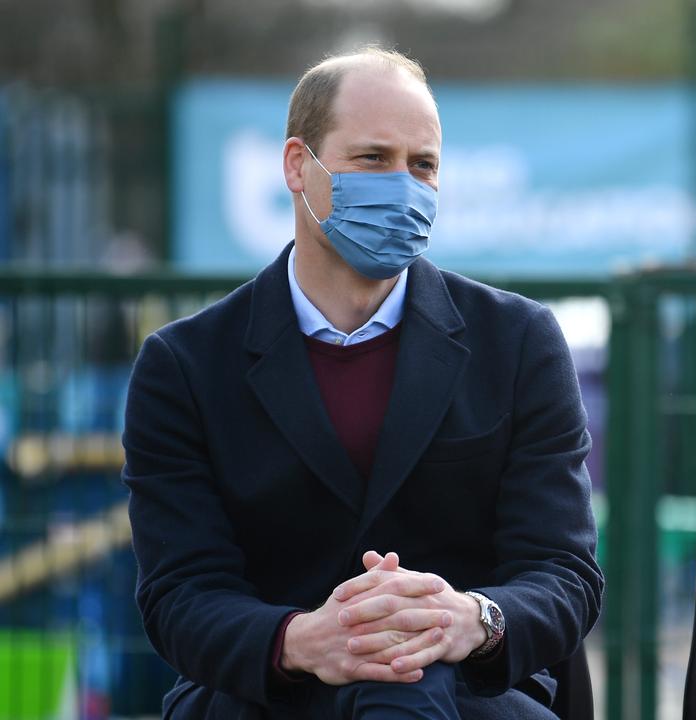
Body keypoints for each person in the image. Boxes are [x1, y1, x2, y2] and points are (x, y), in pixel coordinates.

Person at [123, 47, 602, 719]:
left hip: (467, 694)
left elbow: (562, 573)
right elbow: (180, 593)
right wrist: (301, 640)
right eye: (373, 159)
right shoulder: (186, 365)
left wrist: (468, 620)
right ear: (298, 165)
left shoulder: (517, 342)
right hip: (262, 696)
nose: (403, 184)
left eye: (423, 165)